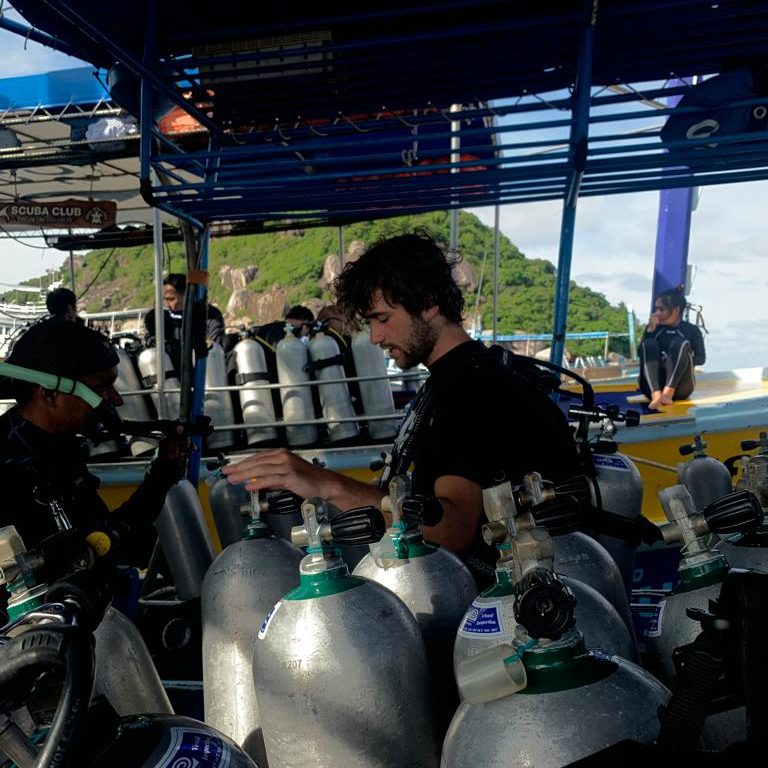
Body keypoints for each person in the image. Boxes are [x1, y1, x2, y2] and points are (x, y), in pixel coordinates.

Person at [224, 230, 579, 587]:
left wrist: (323, 484)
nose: (375, 337)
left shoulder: (471, 391)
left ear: (428, 302)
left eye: (382, 318)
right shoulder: (457, 379)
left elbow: (451, 529)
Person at [0, 319, 188, 568]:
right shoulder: (11, 468)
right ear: (49, 394)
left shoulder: (59, 446)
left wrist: (163, 471)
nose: (117, 400)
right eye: (102, 388)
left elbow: (104, 536)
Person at [638, 287, 706, 409]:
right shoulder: (654, 329)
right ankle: (657, 395)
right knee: (649, 343)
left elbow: (701, 359)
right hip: (652, 387)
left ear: (676, 311)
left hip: (680, 388)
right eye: (656, 309)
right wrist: (649, 332)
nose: (656, 313)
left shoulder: (691, 330)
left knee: (681, 343)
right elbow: (641, 355)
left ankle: (668, 393)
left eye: (661, 309)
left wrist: (672, 362)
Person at [144, 273, 226, 369]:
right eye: (165, 299)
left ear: (186, 295)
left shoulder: (210, 316)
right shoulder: (162, 319)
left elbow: (214, 348)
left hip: (206, 372)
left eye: (171, 299)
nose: (167, 304)